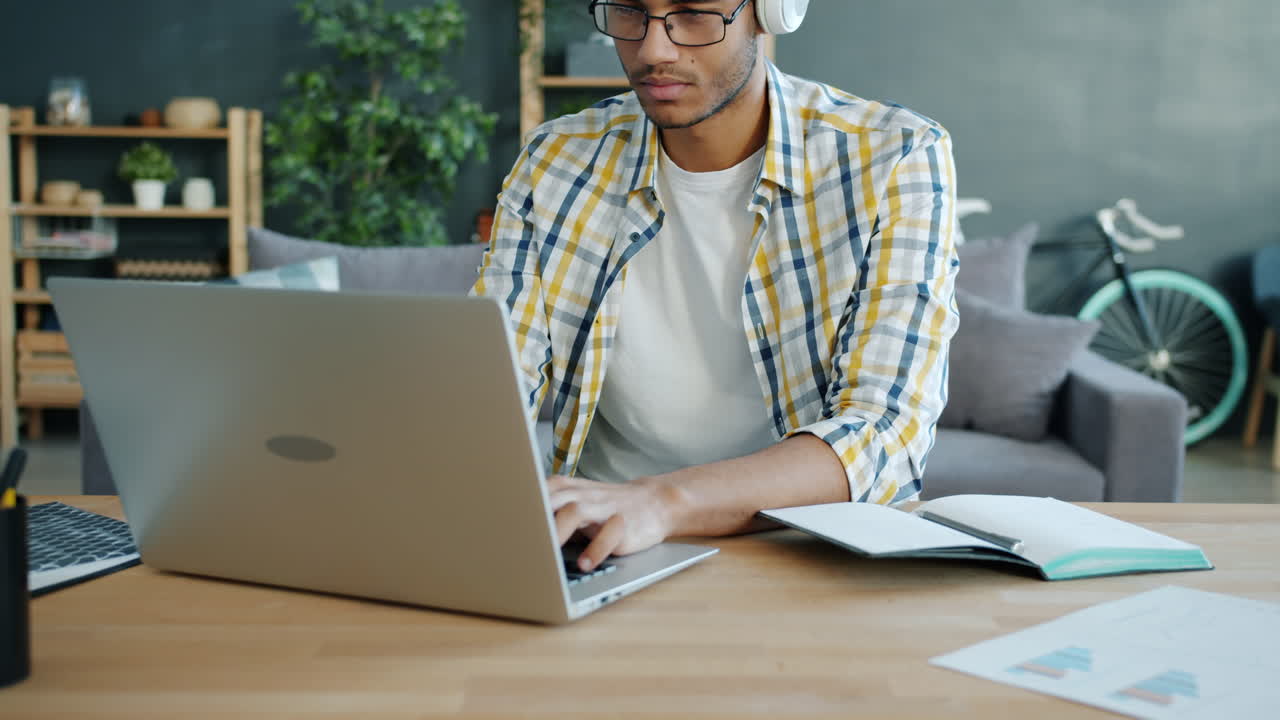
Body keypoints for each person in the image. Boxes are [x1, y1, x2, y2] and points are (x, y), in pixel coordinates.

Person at [473, 0, 959, 572]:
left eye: (694, 14)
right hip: (600, 545)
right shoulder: (557, 159)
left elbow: (883, 433)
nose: (653, 50)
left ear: (769, 12)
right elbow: (490, 387)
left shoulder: (893, 156)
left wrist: (662, 501)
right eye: (630, 12)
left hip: (807, 549)